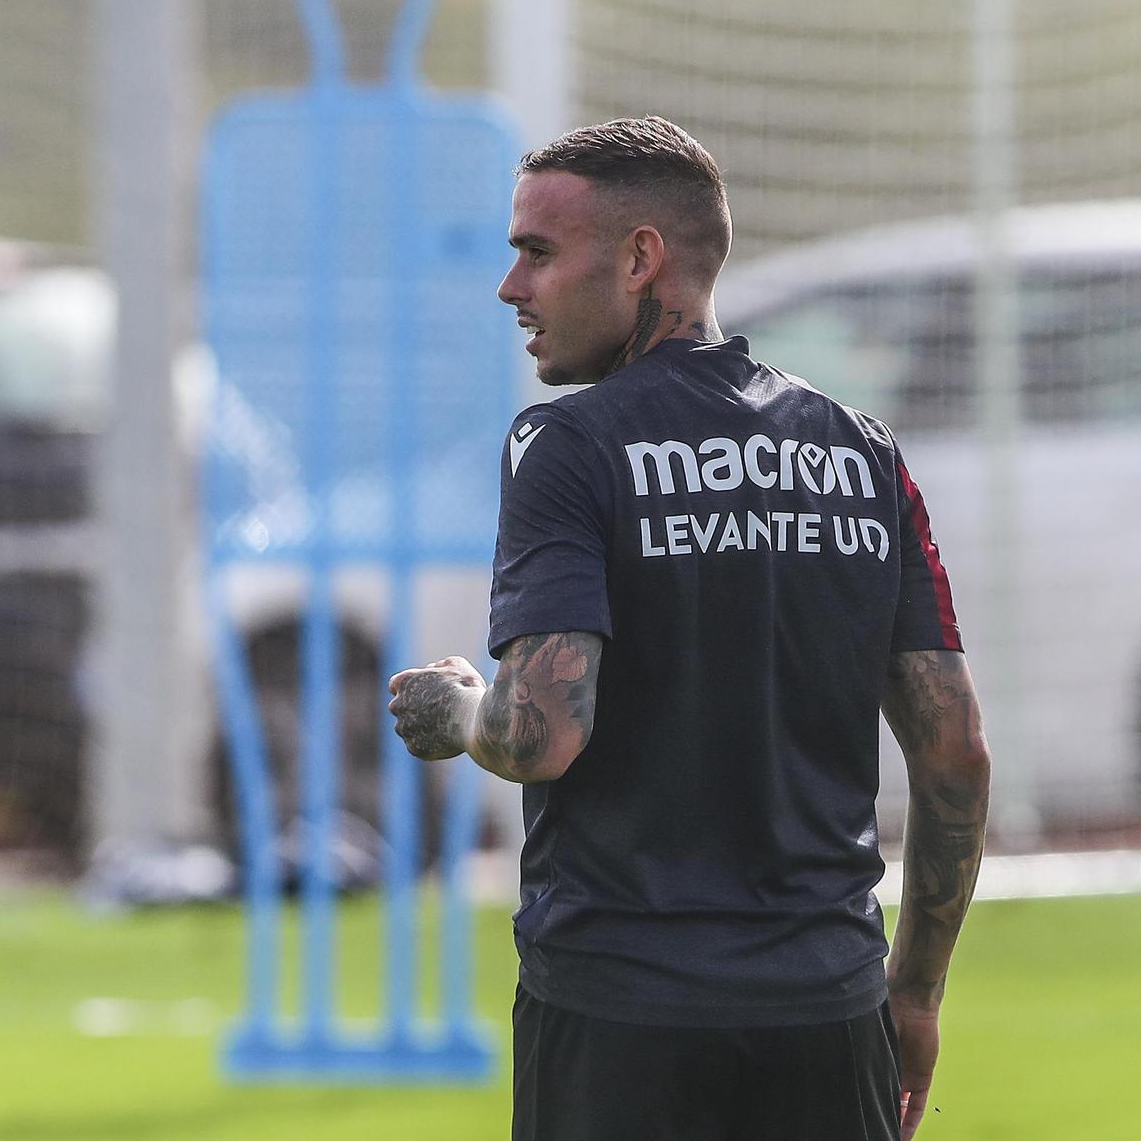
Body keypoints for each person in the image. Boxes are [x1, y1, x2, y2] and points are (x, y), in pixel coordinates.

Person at [386, 116, 991, 1141]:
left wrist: (454, 709)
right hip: (827, 1006)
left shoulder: (568, 445)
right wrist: (916, 992)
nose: (511, 289)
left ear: (639, 259)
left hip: (624, 1011)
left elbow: (539, 733)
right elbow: (953, 756)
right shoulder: (858, 452)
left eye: (537, 251)